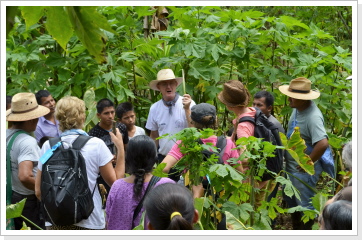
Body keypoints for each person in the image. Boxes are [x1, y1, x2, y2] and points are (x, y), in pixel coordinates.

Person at [35, 96, 125, 230]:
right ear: (83, 118)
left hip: (55, 222)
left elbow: (38, 191)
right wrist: (121, 149)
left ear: (58, 118)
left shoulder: (48, 146)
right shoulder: (96, 144)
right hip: (90, 221)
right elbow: (116, 183)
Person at [279, 77, 331, 230]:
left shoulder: (312, 117)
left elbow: (323, 143)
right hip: (292, 168)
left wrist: (308, 162)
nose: (289, 99)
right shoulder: (298, 109)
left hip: (304, 172)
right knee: (293, 202)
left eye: (292, 97)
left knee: (305, 207)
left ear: (303, 99)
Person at [161, 103, 243, 192]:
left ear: (191, 121)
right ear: (215, 120)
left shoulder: (186, 142)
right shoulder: (228, 143)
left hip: (191, 193)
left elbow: (163, 168)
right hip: (220, 197)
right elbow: (239, 173)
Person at [105, 135, 175, 230]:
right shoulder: (167, 186)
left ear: (128, 159)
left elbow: (108, 220)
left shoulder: (117, 186)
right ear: (154, 159)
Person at [6, 92, 49, 230]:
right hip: (26, 202)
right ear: (31, 119)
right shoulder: (27, 142)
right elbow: (25, 176)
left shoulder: (6, 135)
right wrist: (43, 191)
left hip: (10, 196)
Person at [145, 69, 195, 165]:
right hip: (163, 159)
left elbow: (194, 130)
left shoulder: (189, 103)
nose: (168, 87)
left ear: (176, 84)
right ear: (159, 87)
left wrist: (187, 109)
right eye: (164, 84)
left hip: (185, 158)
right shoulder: (155, 108)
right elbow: (154, 136)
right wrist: (151, 159)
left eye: (171, 83)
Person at [88, 98, 129, 208]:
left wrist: (121, 156)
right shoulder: (93, 134)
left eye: (112, 112)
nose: (110, 116)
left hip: (122, 171)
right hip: (103, 178)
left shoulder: (121, 127)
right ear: (98, 115)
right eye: (106, 113)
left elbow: (126, 148)